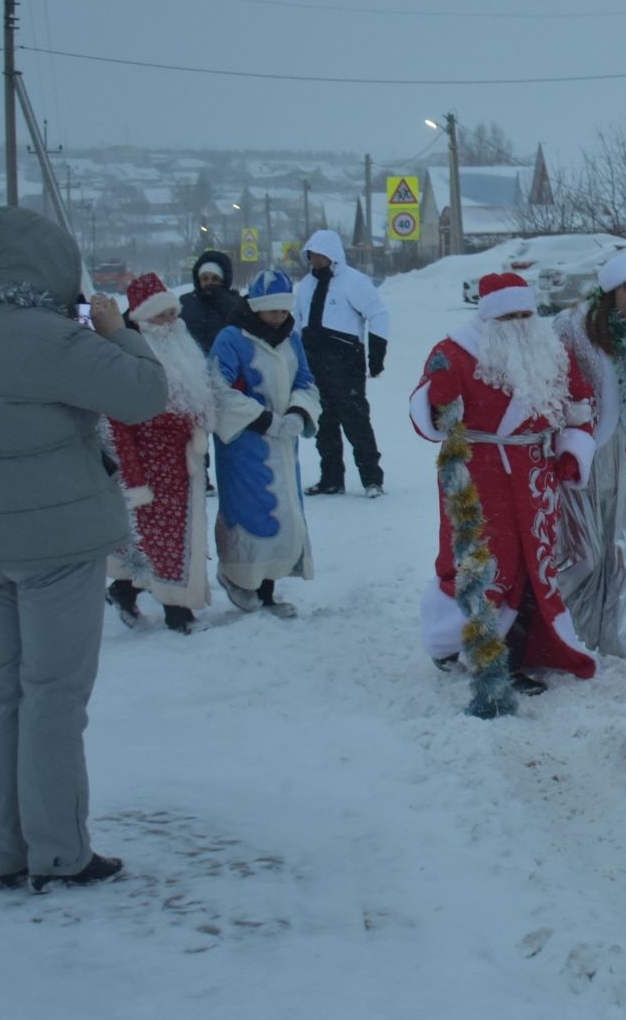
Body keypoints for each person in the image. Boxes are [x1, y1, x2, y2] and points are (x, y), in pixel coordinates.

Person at [0, 206, 169, 892]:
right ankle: (59, 849)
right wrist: (119, 333)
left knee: (2, 689)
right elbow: (145, 395)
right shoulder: (54, 341)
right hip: (57, 544)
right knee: (54, 697)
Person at [409, 272, 598, 692]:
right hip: (478, 473)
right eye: (509, 315)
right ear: (490, 317)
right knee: (485, 563)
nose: (519, 322)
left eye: (526, 313)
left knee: (536, 562)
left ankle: (522, 647)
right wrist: (437, 401)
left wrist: (571, 449)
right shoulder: (455, 351)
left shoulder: (553, 350)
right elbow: (430, 423)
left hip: (535, 473)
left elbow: (580, 404)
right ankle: (474, 646)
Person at [552, 250, 626, 658]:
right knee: (585, 547)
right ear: (611, 289)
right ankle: (564, 623)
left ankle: (616, 627)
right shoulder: (574, 325)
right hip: (589, 446)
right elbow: (557, 379)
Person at [106, 274, 224, 635]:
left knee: (167, 538)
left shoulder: (183, 351)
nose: (170, 323)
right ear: (142, 320)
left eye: (172, 314)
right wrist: (133, 477)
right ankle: (177, 611)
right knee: (161, 539)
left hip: (184, 464)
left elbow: (199, 401)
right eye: (160, 316)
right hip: (150, 464)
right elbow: (118, 425)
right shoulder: (131, 360)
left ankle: (124, 590)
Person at [210, 268, 319, 617]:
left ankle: (269, 588)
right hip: (244, 446)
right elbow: (217, 388)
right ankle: (239, 579)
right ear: (256, 307)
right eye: (273, 311)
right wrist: (264, 419)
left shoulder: (292, 338)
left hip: (283, 445)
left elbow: (305, 379)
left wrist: (298, 414)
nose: (280, 317)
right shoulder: (230, 338)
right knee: (251, 515)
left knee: (284, 516)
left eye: (285, 311)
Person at [294, 228, 389, 498]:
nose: (316, 260)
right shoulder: (306, 285)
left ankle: (372, 479)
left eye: (322, 255)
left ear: (334, 255)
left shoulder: (353, 282)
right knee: (324, 424)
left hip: (346, 362)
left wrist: (376, 355)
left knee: (356, 422)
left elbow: (379, 315)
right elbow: (298, 321)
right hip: (314, 362)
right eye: (312, 255)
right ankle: (331, 479)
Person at [178, 249, 247, 356]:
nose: (209, 282)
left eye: (215, 279)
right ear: (198, 280)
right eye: (205, 278)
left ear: (223, 280)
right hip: (192, 361)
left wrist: (220, 297)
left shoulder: (235, 302)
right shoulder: (186, 302)